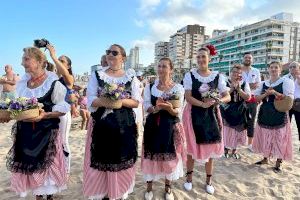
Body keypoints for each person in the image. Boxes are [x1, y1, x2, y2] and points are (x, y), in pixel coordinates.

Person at [2, 47, 69, 200]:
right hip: (25, 133)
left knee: (47, 172)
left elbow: (63, 108)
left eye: (26, 59)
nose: (22, 62)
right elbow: (16, 107)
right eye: (23, 59)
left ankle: (48, 197)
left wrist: (46, 115)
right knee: (32, 172)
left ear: (40, 62)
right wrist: (8, 115)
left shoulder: (53, 82)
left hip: (46, 134)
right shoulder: (22, 84)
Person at [83, 44, 141, 200]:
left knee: (122, 158)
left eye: (114, 52)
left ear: (123, 57)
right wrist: (106, 101)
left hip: (125, 126)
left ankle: (118, 192)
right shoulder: (97, 75)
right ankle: (104, 193)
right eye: (108, 52)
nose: (110, 54)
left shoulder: (131, 77)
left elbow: (136, 102)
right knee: (101, 160)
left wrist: (119, 100)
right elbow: (91, 100)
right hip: (102, 126)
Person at [182, 46, 230, 194]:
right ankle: (189, 178)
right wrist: (202, 103)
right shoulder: (190, 75)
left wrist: (218, 100)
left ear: (209, 59)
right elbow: (188, 97)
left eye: (204, 57)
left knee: (210, 148)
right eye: (199, 57)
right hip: (192, 113)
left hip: (212, 115)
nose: (201, 60)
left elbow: (227, 96)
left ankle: (209, 180)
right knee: (191, 148)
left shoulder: (218, 76)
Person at [142, 58, 186, 200]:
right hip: (153, 125)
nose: (161, 69)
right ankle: (149, 187)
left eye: (164, 66)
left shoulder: (178, 88)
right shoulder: (149, 87)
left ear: (171, 69)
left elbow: (178, 110)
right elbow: (146, 106)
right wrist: (156, 108)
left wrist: (170, 108)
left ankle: (168, 187)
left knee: (170, 156)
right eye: (159, 66)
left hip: (170, 126)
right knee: (151, 155)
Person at [253, 61, 294, 173]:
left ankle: (278, 162)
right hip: (265, 112)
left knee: (280, 138)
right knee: (266, 136)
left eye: (276, 67)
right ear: (268, 69)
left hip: (279, 112)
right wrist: (266, 94)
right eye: (272, 67)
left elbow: (289, 98)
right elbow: (256, 98)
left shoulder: (286, 81)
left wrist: (275, 93)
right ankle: (265, 158)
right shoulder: (263, 83)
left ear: (280, 70)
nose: (274, 69)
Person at [46, 44, 73, 174]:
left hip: (62, 114)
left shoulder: (68, 79)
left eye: (62, 61)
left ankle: (66, 170)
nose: (58, 63)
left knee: (63, 140)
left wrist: (54, 56)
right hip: (51, 113)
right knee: (53, 141)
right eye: (58, 61)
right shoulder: (52, 77)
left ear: (67, 66)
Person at [221, 64, 251, 159]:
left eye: (238, 73)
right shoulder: (224, 82)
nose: (236, 74)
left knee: (238, 131)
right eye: (234, 72)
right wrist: (232, 89)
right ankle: (225, 149)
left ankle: (234, 150)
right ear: (230, 73)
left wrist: (239, 89)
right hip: (227, 108)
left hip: (240, 109)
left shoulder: (244, 83)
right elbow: (221, 95)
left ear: (241, 74)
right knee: (226, 130)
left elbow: (248, 97)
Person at [242, 52, 261, 151]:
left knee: (251, 121)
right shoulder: (239, 70)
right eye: (246, 57)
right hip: (240, 98)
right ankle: (238, 141)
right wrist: (250, 85)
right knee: (239, 120)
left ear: (252, 60)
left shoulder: (256, 71)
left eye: (249, 58)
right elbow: (237, 82)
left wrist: (245, 85)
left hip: (253, 99)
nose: (248, 59)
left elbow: (258, 85)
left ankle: (250, 144)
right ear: (243, 59)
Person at [285, 62, 300, 151]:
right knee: (286, 125)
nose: (292, 68)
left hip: (299, 103)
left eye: (294, 67)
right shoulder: (285, 78)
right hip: (288, 103)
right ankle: (285, 144)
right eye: (290, 67)